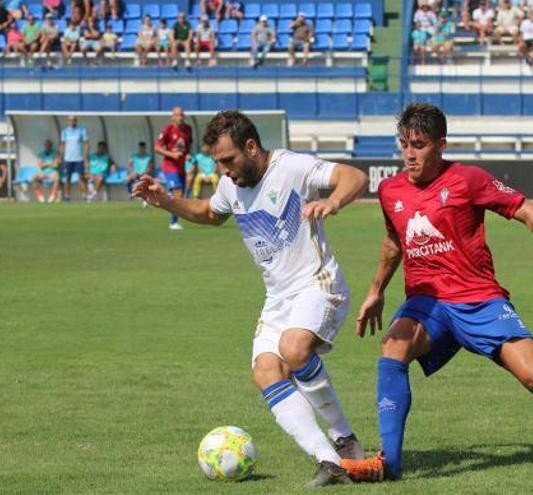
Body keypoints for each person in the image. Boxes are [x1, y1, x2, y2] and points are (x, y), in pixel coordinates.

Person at [339, 103, 533, 483]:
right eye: (404, 145)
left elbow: (526, 209)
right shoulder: (390, 190)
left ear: (441, 145)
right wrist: (375, 290)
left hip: (479, 299)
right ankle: (388, 463)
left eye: (419, 144)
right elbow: (394, 242)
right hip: (427, 304)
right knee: (392, 346)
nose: (409, 154)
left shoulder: (468, 179)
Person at [131, 110, 369, 488]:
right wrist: (167, 201)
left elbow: (353, 176)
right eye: (217, 162)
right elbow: (212, 213)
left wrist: (333, 202)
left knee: (294, 348)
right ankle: (330, 461)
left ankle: (345, 439)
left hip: (316, 283)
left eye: (227, 160)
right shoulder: (231, 185)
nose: (223, 169)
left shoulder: (290, 167)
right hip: (278, 298)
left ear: (252, 147)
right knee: (265, 372)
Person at [155, 107, 192, 230]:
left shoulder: (188, 129)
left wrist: (188, 156)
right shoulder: (168, 130)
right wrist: (172, 154)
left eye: (181, 115)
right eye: (176, 115)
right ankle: (173, 222)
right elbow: (157, 148)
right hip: (170, 166)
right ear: (172, 117)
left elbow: (187, 148)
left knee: (177, 195)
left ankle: (156, 197)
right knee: (178, 192)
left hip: (181, 166)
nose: (179, 117)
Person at [59, 115, 89, 201]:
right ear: (68, 121)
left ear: (76, 121)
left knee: (81, 178)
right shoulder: (65, 132)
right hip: (68, 159)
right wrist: (60, 156)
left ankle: (85, 196)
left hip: (78, 158)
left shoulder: (81, 131)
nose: (72, 122)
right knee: (67, 178)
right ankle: (67, 196)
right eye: (70, 120)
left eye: (73, 120)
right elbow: (62, 145)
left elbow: (86, 144)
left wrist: (86, 157)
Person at [31, 139, 61, 203]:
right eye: (46, 145)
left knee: (57, 177)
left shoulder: (56, 153)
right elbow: (40, 165)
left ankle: (52, 196)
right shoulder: (41, 153)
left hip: (52, 172)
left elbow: (56, 165)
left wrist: (45, 164)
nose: (47, 146)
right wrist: (51, 163)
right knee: (34, 178)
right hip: (43, 173)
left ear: (51, 146)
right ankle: (40, 197)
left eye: (49, 145)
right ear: (44, 146)